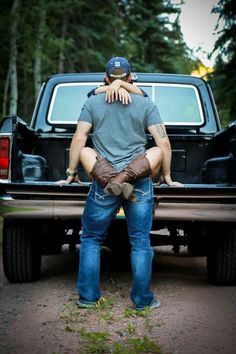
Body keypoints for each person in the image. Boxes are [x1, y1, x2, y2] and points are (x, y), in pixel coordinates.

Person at [61, 56, 182, 310]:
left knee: (92, 238)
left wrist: (71, 172)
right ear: (130, 78)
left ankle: (88, 298)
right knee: (140, 240)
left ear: (106, 78)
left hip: (103, 179)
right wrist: (167, 176)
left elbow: (79, 138)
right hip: (138, 180)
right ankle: (142, 301)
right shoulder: (145, 104)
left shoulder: (92, 102)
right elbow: (164, 144)